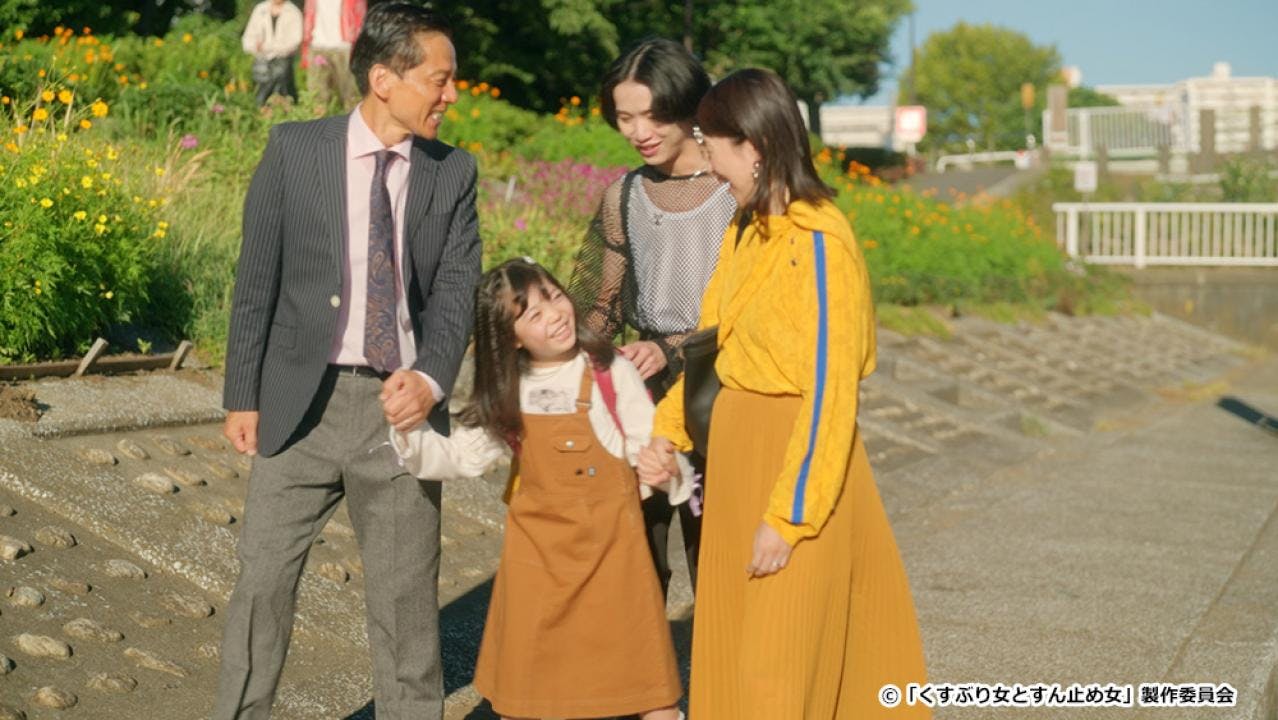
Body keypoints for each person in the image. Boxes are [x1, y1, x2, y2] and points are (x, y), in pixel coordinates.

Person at [213, 4, 481, 719]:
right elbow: (256, 278)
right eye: (440, 79)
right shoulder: (294, 149)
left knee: (405, 605)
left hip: (400, 412)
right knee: (261, 586)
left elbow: (457, 293)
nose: (453, 94)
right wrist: (243, 394)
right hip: (299, 404)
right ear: (385, 79)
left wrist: (430, 380)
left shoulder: (452, 172)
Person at [639, 68, 931, 719]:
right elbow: (713, 349)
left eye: (712, 145)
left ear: (754, 145)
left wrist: (791, 513)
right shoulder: (744, 229)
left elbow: (831, 392)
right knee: (740, 649)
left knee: (782, 663)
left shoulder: (819, 240)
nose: (710, 165)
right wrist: (666, 432)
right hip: (739, 463)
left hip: (797, 468)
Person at [392, 258, 690, 720]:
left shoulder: (610, 370)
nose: (554, 315)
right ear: (511, 337)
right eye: (533, 313)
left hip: (614, 558)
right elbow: (461, 458)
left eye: (553, 296)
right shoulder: (510, 389)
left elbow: (652, 446)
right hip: (536, 563)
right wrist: (408, 430)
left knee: (650, 694)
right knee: (524, 698)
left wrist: (664, 465)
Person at [568, 37, 735, 600]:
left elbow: (751, 305)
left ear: (688, 106)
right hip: (641, 390)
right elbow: (600, 304)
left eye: (653, 116)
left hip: (720, 385)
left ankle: (722, 658)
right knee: (637, 556)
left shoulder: (735, 188)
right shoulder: (624, 195)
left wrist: (671, 348)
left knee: (715, 552)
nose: (639, 132)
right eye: (625, 118)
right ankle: (642, 657)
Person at [302, 0, 365, 111]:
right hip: (318, 45)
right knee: (317, 94)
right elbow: (308, 15)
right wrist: (307, 43)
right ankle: (319, 121)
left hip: (344, 47)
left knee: (350, 94)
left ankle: (352, 120)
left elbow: (360, 17)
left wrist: (355, 42)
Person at [242, 0, 303, 107]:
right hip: (262, 63)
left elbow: (294, 41)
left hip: (283, 63)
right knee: (260, 99)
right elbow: (248, 37)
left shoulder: (293, 12)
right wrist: (254, 46)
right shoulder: (260, 9)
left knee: (285, 98)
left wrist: (267, 47)